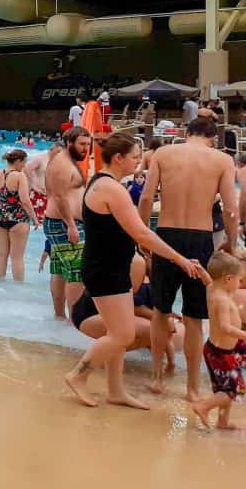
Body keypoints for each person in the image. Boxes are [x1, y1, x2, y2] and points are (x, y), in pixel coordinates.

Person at [62, 133, 208, 409]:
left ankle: (115, 390)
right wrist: (181, 259)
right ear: (118, 158)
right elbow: (142, 233)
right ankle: (77, 376)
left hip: (111, 267)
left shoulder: (104, 182)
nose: (139, 163)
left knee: (116, 331)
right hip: (106, 271)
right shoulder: (111, 188)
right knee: (122, 335)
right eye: (135, 158)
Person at [137, 117, 238, 400]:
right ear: (212, 138)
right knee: (194, 318)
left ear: (185, 132)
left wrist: (143, 235)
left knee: (161, 310)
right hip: (200, 239)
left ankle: (157, 379)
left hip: (166, 236)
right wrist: (232, 242)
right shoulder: (221, 161)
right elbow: (230, 209)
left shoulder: (163, 153)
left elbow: (146, 199)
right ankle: (192, 389)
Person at [193, 252, 246, 430]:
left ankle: (222, 422)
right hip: (220, 353)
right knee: (232, 391)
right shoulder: (222, 299)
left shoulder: (213, 289)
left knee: (226, 388)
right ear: (228, 279)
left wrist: (202, 272)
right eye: (240, 280)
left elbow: (209, 282)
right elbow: (225, 327)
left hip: (220, 350)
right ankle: (203, 406)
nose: (240, 284)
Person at [44, 127, 92, 318]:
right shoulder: (62, 163)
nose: (86, 148)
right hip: (64, 225)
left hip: (61, 223)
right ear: (69, 143)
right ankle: (75, 320)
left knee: (60, 270)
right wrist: (71, 225)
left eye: (88, 144)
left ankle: (60, 317)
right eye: (82, 144)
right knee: (76, 273)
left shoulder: (67, 161)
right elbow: (59, 196)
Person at [0, 150, 39, 282]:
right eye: (24, 162)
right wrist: (34, 218)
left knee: (2, 254)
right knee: (17, 257)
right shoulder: (19, 176)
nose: (24, 165)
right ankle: (18, 292)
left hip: (0, 217)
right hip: (18, 219)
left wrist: (0, 210)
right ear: (18, 161)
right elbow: (25, 200)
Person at [24, 143, 60, 226]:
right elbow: (27, 169)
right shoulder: (40, 158)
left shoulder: (57, 160)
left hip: (50, 195)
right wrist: (33, 185)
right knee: (37, 222)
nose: (59, 154)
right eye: (58, 151)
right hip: (38, 194)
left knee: (47, 222)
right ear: (52, 149)